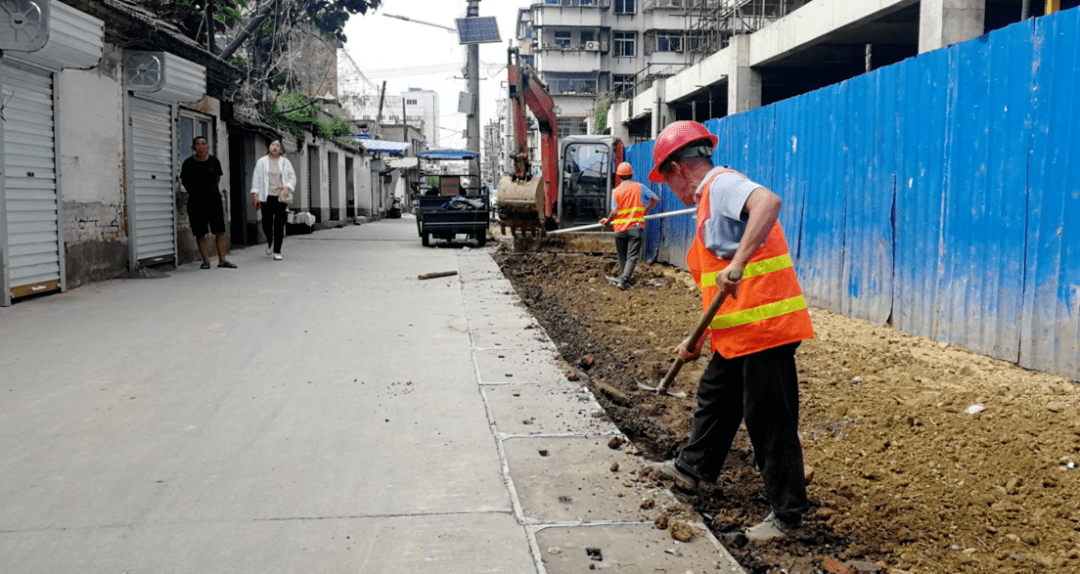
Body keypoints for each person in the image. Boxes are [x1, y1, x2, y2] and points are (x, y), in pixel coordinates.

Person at [646, 121, 815, 543]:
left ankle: (788, 517)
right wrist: (696, 340)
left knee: (769, 420)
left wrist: (739, 262)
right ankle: (693, 468)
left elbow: (768, 201)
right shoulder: (709, 200)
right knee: (716, 398)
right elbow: (716, 288)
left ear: (675, 169)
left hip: (765, 328)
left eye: (666, 182)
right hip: (737, 333)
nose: (670, 191)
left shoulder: (720, 184)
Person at [599, 162, 659, 290]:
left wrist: (608, 221)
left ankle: (624, 280)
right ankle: (624, 281)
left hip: (620, 230)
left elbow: (614, 211)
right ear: (631, 174)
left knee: (622, 257)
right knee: (631, 257)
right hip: (635, 228)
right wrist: (646, 210)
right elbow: (656, 199)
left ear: (619, 176)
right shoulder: (640, 187)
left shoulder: (616, 191)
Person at [180, 136, 236, 269]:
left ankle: (222, 260)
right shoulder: (188, 163)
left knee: (220, 231)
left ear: (207, 147)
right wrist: (195, 192)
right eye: (198, 144)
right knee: (200, 232)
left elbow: (216, 178)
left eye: (203, 144)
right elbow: (185, 181)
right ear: (193, 148)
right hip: (196, 203)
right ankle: (206, 260)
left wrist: (209, 191)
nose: (201, 146)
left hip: (214, 201)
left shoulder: (214, 162)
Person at [250, 140, 296, 260]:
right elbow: (256, 178)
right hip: (266, 196)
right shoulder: (261, 162)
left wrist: (287, 187)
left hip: (280, 196)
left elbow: (293, 177)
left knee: (279, 223)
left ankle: (277, 251)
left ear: (281, 149)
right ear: (268, 147)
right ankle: (270, 240)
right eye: (272, 145)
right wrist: (255, 193)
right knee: (266, 222)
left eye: (278, 146)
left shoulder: (285, 162)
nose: (275, 147)